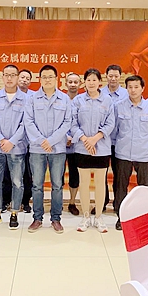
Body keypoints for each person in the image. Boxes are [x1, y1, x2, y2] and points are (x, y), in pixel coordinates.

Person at [24, 64, 72, 233]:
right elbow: (28, 121)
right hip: (37, 149)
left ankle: (56, 219)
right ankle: (37, 218)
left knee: (57, 185)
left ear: (56, 79)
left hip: (57, 149)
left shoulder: (64, 99)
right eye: (44, 77)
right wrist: (41, 140)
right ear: (40, 79)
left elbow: (67, 122)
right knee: (37, 185)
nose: (47, 80)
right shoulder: (31, 99)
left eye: (50, 77)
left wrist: (51, 141)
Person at [70, 68, 115, 233]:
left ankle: (99, 217)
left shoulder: (107, 101)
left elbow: (110, 123)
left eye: (94, 80)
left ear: (99, 82)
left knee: (100, 184)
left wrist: (95, 138)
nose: (91, 83)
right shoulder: (78, 100)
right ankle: (85, 216)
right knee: (83, 183)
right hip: (82, 148)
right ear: (84, 82)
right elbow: (72, 123)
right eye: (88, 80)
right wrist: (85, 139)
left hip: (101, 148)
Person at [113, 75, 148, 231]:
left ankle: (142, 217)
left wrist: (147, 146)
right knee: (121, 186)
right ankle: (121, 217)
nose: (133, 90)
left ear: (142, 88)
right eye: (130, 87)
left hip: (143, 153)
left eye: (136, 87)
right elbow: (115, 130)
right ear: (126, 89)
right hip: (123, 152)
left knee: (143, 187)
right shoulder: (118, 106)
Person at [0, 65, 27, 230]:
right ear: (2, 77)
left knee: (17, 182)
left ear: (18, 77)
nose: (9, 78)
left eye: (13, 75)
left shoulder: (26, 99)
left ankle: (14, 212)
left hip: (17, 148)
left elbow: (26, 123)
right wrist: (2, 140)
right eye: (6, 75)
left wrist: (12, 141)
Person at [98, 64, 129, 213]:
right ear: (106, 76)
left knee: (119, 175)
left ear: (120, 77)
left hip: (120, 140)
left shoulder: (126, 94)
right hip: (103, 140)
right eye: (110, 76)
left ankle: (119, 204)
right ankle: (102, 202)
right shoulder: (99, 93)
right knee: (102, 174)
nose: (113, 79)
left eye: (116, 76)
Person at [64, 72, 81, 216]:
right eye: (70, 82)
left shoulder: (83, 100)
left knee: (75, 176)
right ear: (65, 84)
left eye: (76, 82)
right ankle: (57, 203)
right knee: (57, 177)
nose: (73, 85)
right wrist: (65, 137)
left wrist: (74, 138)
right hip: (60, 144)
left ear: (80, 84)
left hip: (77, 146)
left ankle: (72, 202)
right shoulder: (60, 100)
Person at [18, 68, 34, 213]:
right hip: (13, 142)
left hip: (29, 141)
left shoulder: (34, 96)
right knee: (10, 174)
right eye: (22, 77)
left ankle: (26, 201)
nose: (24, 80)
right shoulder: (11, 94)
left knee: (27, 174)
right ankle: (8, 200)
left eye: (27, 78)